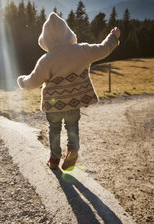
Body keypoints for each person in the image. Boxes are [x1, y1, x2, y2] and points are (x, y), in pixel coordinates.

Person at [17, 12, 121, 170]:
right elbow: (103, 49)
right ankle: (72, 149)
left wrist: (21, 81)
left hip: (54, 105)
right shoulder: (82, 50)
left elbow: (33, 81)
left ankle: (54, 159)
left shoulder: (46, 60)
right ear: (68, 33)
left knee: (54, 129)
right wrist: (113, 37)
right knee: (72, 125)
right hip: (74, 100)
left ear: (45, 40)